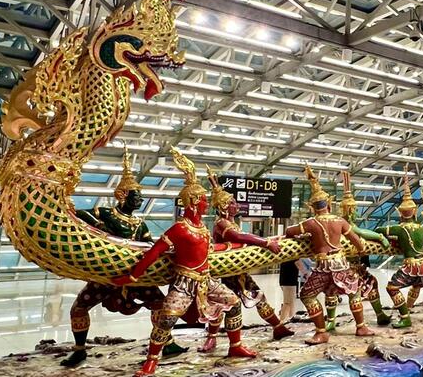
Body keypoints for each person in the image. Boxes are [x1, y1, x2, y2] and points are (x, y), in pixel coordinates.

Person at [113, 148, 255, 377]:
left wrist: (239, 246)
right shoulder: (180, 228)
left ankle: (235, 345)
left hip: (206, 281)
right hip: (183, 284)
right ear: (194, 201)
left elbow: (208, 251)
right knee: (167, 318)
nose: (207, 204)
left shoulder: (202, 229)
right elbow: (154, 252)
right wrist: (132, 276)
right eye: (204, 201)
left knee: (234, 303)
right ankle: (151, 362)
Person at [61, 148, 185, 367]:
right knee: (79, 308)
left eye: (140, 196)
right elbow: (79, 216)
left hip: (135, 276)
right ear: (122, 195)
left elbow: (148, 245)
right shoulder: (106, 213)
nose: (140, 199)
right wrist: (98, 226)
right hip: (106, 275)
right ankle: (79, 349)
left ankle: (167, 343)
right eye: (136, 195)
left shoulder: (140, 224)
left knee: (159, 305)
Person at [283, 166, 373, 345]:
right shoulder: (340, 221)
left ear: (312, 207)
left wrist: (308, 236)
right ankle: (361, 326)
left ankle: (322, 331)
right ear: (329, 205)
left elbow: (289, 231)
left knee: (307, 295)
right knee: (354, 292)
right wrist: (362, 251)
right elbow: (357, 241)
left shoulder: (310, 223)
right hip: (341, 263)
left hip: (323, 266)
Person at [206, 168, 293, 344]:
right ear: (223, 206)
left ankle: (278, 327)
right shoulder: (222, 223)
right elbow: (238, 237)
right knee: (225, 304)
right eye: (232, 202)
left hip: (237, 270)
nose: (236, 205)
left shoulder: (229, 222)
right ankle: (213, 338)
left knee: (258, 297)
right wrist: (266, 243)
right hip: (226, 272)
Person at [377, 176, 423, 327]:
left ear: (400, 212)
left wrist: (387, 238)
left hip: (410, 265)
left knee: (392, 287)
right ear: (415, 211)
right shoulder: (422, 229)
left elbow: (379, 229)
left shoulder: (398, 228)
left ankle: (405, 316)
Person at [324, 171, 391, 330]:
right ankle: (370, 319)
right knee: (367, 286)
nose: (354, 211)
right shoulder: (344, 223)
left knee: (331, 291)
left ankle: (331, 321)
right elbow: (359, 233)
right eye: (353, 209)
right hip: (349, 268)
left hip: (334, 266)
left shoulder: (333, 224)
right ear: (350, 210)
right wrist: (381, 237)